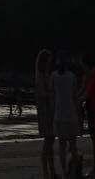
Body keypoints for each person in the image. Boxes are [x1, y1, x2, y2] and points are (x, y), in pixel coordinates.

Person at [52, 51, 80, 179]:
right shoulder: (72, 76)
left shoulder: (53, 76)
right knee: (73, 146)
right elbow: (74, 96)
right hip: (71, 114)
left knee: (62, 146)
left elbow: (52, 95)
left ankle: (64, 172)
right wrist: (79, 114)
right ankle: (75, 172)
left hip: (59, 115)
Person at [35, 49, 56, 179]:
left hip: (50, 111)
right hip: (45, 112)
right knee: (48, 141)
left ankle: (51, 171)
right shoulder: (40, 77)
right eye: (48, 61)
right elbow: (41, 94)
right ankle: (46, 172)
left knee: (50, 141)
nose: (50, 63)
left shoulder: (47, 75)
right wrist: (52, 94)